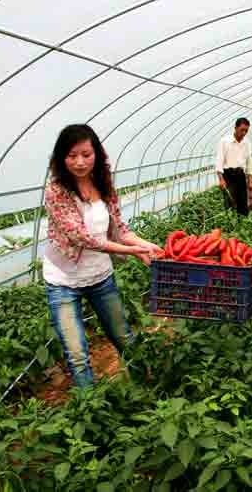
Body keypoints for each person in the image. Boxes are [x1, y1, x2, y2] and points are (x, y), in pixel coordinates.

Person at [43, 124, 162, 388]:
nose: (80, 162)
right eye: (72, 155)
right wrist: (132, 251)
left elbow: (119, 229)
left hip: (100, 277)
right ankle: (90, 406)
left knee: (124, 337)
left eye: (86, 154)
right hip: (63, 281)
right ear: (61, 158)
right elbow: (82, 237)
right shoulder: (56, 191)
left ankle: (147, 390)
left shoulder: (104, 186)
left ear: (96, 154)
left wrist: (146, 245)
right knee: (77, 355)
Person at [216, 117, 252, 215]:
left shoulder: (247, 143)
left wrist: (250, 179)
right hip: (228, 175)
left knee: (243, 201)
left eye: (246, 131)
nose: (244, 133)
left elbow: (249, 161)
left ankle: (243, 220)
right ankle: (231, 221)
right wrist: (221, 179)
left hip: (240, 174)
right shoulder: (225, 141)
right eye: (242, 130)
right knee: (230, 201)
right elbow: (219, 161)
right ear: (235, 128)